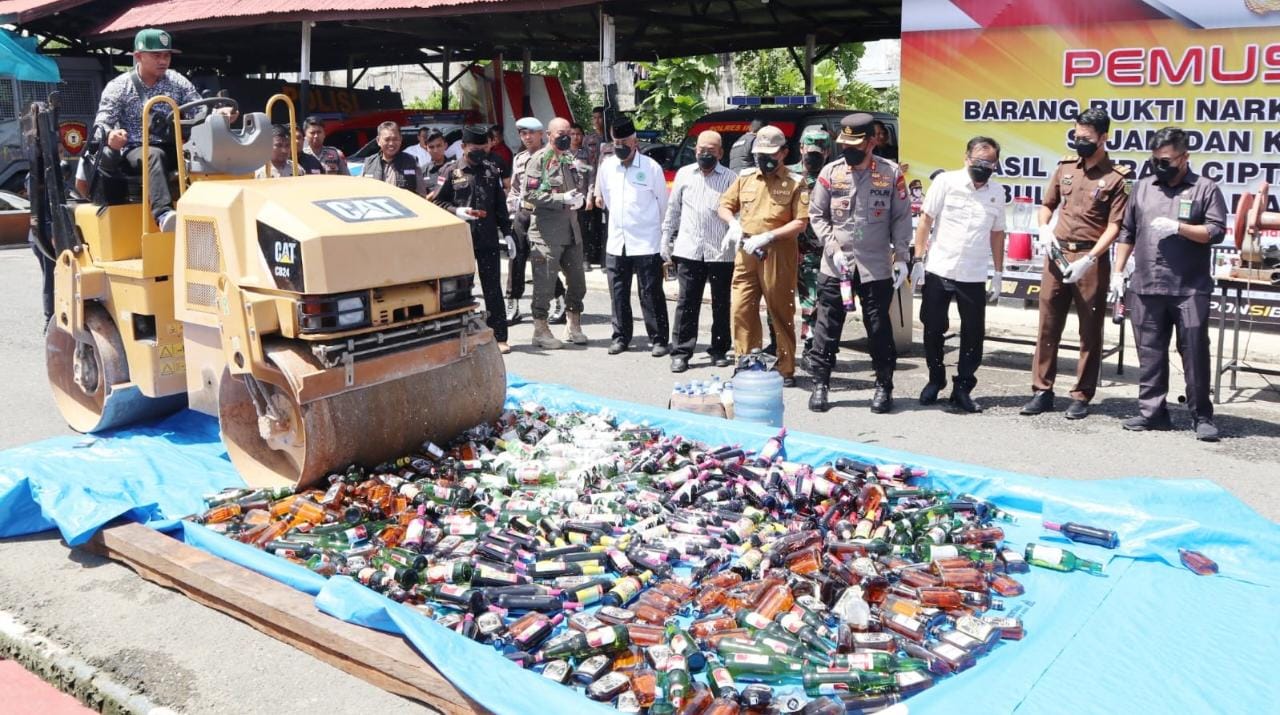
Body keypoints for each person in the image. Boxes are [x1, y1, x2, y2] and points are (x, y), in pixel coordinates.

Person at [1113, 127, 1227, 441]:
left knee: (1194, 352)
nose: (1159, 166)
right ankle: (1153, 413)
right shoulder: (1143, 188)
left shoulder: (1205, 188)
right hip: (1146, 285)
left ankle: (1201, 416)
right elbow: (1127, 231)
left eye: (1166, 160)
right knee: (1149, 351)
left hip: (1189, 288)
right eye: (1155, 160)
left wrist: (1180, 228)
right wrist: (1118, 271)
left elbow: (1216, 232)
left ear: (1184, 157)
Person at [1022, 107, 1130, 420]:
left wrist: (1091, 258)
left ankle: (1082, 395)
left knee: (1089, 331)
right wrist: (1043, 228)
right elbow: (1047, 205)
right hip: (1056, 255)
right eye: (1076, 136)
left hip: (1090, 260)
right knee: (1047, 326)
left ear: (1104, 138)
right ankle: (1042, 390)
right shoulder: (1065, 168)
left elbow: (1115, 226)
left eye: (1086, 138)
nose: (1079, 142)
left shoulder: (1117, 178)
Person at [807, 113, 912, 413]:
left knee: (879, 329)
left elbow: (901, 218)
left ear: (871, 142)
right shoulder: (831, 172)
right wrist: (832, 246)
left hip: (875, 266)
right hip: (836, 264)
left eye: (854, 144)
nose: (847, 150)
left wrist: (901, 256)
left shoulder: (890, 174)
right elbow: (817, 214)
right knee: (827, 327)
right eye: (844, 143)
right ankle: (821, 384)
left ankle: (883, 386)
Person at [910, 136, 1007, 413]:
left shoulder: (997, 193)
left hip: (974, 273)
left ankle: (963, 387)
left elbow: (998, 232)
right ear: (966, 159)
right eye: (978, 161)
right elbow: (926, 220)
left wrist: (998, 272)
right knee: (932, 326)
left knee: (973, 333)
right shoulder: (946, 182)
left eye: (989, 162)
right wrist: (918, 258)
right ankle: (935, 378)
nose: (983, 166)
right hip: (940, 268)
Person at [93, 28, 213, 232]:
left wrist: (219, 114)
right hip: (137, 149)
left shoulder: (176, 80)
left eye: (166, 55)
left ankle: (212, 208)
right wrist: (111, 136)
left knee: (206, 151)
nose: (163, 61)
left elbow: (198, 108)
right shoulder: (119, 86)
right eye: (156, 55)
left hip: (174, 145)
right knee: (153, 154)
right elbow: (101, 125)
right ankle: (164, 214)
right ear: (138, 56)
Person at [718, 125, 809, 386]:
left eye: (770, 154)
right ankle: (746, 362)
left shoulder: (795, 183)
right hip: (746, 252)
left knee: (779, 311)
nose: (764, 159)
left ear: (783, 152)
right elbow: (724, 205)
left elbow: (801, 222)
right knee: (741, 308)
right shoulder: (745, 178)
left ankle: (785, 367)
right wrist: (732, 224)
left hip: (777, 254)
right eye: (759, 154)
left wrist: (770, 236)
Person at [434, 126, 515, 355]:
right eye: (474, 149)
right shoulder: (450, 171)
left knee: (492, 289)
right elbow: (437, 203)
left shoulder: (492, 170)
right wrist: (457, 211)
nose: (479, 153)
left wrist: (507, 233)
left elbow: (500, 206)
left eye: (482, 149)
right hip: (462, 241)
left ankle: (499, 336)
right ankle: (460, 336)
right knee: (461, 290)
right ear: (463, 147)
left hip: (488, 239)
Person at [662, 130, 736, 372]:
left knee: (721, 302)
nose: (705, 154)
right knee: (687, 302)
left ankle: (720, 349)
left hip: (720, 252)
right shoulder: (684, 174)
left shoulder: (730, 178)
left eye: (711, 151)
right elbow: (673, 210)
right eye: (701, 150)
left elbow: (737, 213)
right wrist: (666, 238)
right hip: (689, 250)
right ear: (695, 151)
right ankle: (681, 351)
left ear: (721, 153)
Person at [596, 118, 671, 357]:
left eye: (624, 142)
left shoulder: (651, 168)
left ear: (635, 141)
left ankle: (658, 339)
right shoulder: (607, 166)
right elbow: (606, 199)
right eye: (616, 142)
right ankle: (620, 337)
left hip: (646, 240)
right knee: (618, 292)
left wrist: (661, 237)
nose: (620, 146)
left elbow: (662, 204)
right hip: (617, 241)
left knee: (650, 292)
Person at [523, 117, 591, 349]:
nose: (566, 137)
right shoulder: (539, 161)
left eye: (569, 133)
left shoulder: (569, 159)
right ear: (548, 135)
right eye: (560, 133)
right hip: (546, 234)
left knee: (578, 283)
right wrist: (561, 198)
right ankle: (540, 330)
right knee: (544, 285)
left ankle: (573, 325)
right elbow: (529, 196)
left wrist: (579, 199)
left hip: (571, 231)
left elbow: (577, 185)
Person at [505, 117, 566, 326]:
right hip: (522, 214)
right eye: (523, 134)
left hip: (543, 215)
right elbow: (514, 188)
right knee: (516, 258)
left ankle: (560, 300)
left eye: (531, 133)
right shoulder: (519, 158)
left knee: (543, 260)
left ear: (542, 135)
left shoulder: (552, 157)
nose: (527, 137)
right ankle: (512, 304)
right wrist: (511, 209)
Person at [787, 125, 833, 366]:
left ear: (827, 152)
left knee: (814, 304)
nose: (812, 156)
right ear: (801, 147)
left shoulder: (834, 177)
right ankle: (780, 346)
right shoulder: (788, 175)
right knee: (781, 301)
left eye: (819, 151)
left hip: (818, 254)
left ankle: (811, 347)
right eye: (809, 150)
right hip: (787, 251)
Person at [361, 121, 425, 195]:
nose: (391, 143)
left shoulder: (411, 162)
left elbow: (421, 194)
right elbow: (363, 192)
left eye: (395, 139)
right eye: (387, 139)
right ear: (378, 141)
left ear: (401, 139)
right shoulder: (369, 163)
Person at [412, 131, 450, 199]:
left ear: (445, 145)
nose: (435, 150)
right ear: (426, 148)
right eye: (431, 147)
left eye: (439, 146)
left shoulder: (455, 168)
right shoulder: (422, 171)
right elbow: (418, 198)